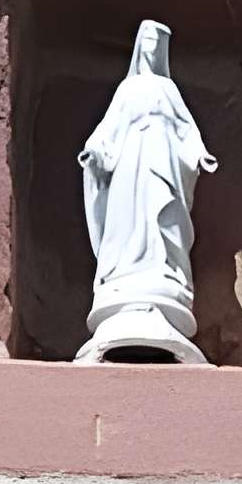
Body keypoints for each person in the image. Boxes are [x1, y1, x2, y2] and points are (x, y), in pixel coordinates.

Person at [76, 19, 216, 365]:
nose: (152, 48)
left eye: (158, 42)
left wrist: (198, 154)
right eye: (148, 41)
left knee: (163, 218)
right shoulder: (128, 89)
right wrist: (95, 151)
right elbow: (109, 128)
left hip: (163, 160)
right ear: (141, 46)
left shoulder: (169, 90)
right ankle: (127, 275)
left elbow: (186, 129)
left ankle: (162, 273)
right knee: (128, 220)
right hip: (131, 164)